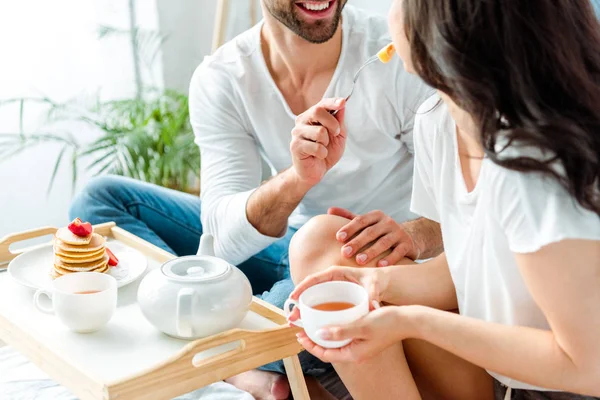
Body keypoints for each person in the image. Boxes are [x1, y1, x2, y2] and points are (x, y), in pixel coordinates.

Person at [69, 1, 440, 398]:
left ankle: (222, 354)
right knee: (101, 201)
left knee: (295, 304)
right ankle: (241, 367)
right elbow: (222, 243)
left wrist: (413, 235)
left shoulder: (396, 56)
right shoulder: (224, 76)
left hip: (367, 262)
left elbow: (474, 206)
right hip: (290, 241)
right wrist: (298, 180)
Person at [288, 0, 600, 399]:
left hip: (572, 385)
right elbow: (464, 268)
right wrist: (373, 281)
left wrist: (410, 322)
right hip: (508, 375)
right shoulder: (438, 121)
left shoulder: (529, 164)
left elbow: (587, 366)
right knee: (320, 241)